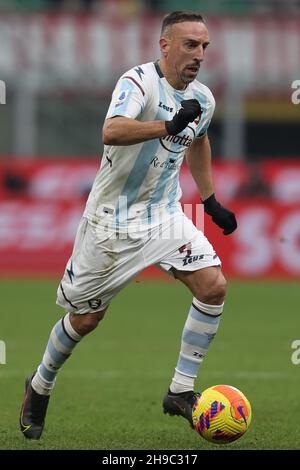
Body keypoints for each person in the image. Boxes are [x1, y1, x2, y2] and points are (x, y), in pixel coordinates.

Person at [19, 10, 237, 439]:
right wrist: (166, 125)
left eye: (205, 46)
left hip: (165, 214)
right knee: (86, 320)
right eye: (190, 44)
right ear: (165, 45)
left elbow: (200, 139)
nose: (199, 54)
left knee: (213, 286)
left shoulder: (204, 98)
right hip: (112, 223)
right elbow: (112, 130)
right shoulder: (137, 82)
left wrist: (210, 200)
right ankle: (41, 383)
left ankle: (180, 390)